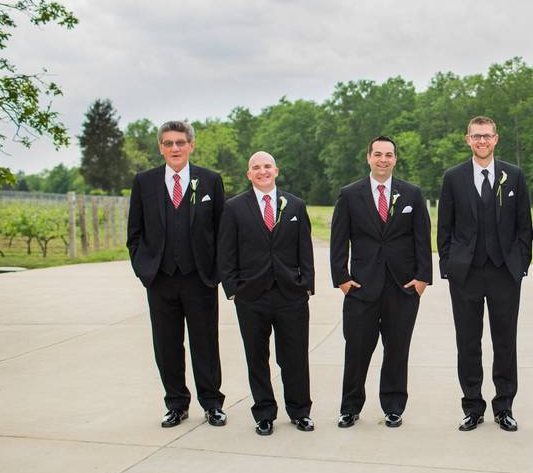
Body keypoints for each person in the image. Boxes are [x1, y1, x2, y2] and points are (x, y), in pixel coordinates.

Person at [126, 120, 226, 428]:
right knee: (166, 345)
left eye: (180, 142)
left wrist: (216, 272)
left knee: (205, 343)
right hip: (160, 278)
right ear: (161, 148)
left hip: (199, 278)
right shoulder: (145, 182)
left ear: (191, 146)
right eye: (168, 143)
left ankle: (212, 404)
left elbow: (222, 231)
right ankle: (176, 404)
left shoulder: (210, 181)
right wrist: (145, 270)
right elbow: (135, 232)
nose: (175, 148)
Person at [329, 136, 431, 429]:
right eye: (378, 154)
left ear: (395, 159)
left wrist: (423, 278)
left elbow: (422, 238)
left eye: (388, 155)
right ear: (368, 157)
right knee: (357, 350)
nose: (383, 159)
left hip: (403, 287)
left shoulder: (412, 194)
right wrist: (343, 280)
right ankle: (350, 407)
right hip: (361, 287)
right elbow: (339, 241)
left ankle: (394, 406)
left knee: (397, 350)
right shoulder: (350, 195)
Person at [437, 116, 532, 432]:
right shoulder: (453, 177)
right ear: (467, 139)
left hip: (505, 272)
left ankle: (504, 406)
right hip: (466, 274)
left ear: (496, 138)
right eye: (476, 136)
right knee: (468, 341)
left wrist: (519, 266)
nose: (482, 141)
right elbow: (445, 227)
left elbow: (523, 226)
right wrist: (449, 266)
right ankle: (472, 406)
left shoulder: (514, 176)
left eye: (487, 136)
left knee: (505, 341)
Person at [217, 151, 315, 436]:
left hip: (290, 294)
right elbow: (226, 252)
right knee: (256, 356)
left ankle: (299, 411)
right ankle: (264, 413)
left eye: (267, 166)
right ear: (249, 174)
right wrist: (233, 289)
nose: (262, 171)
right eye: (256, 167)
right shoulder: (234, 208)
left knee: (294, 356)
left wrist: (306, 284)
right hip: (251, 295)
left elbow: (304, 249)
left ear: (276, 171)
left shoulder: (295, 205)